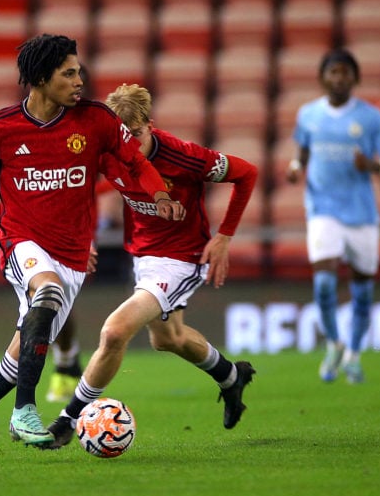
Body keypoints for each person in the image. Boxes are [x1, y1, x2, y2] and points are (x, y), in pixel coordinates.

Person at [0, 34, 184, 462]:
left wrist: (158, 194)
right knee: (47, 290)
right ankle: (24, 411)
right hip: (21, 242)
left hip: (73, 257)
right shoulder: (0, 128)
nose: (79, 80)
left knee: (11, 368)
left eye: (78, 71)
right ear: (41, 79)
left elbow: (136, 162)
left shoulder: (97, 120)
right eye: (68, 73)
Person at [46, 83, 259, 449]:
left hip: (181, 257)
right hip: (144, 255)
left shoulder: (185, 156)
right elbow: (78, 189)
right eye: (122, 136)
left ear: (151, 124)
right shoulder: (109, 152)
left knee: (114, 331)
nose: (130, 145)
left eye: (138, 134)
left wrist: (224, 235)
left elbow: (247, 173)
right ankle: (230, 377)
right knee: (168, 339)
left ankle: (67, 420)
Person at [286, 48, 380, 384]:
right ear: (323, 77)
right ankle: (334, 343)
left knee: (363, 291)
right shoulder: (308, 114)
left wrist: (374, 165)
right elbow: (302, 152)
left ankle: (353, 353)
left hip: (362, 214)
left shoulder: (370, 118)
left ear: (355, 78)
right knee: (324, 281)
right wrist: (295, 167)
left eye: (345, 72)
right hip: (323, 209)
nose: (338, 78)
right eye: (333, 72)